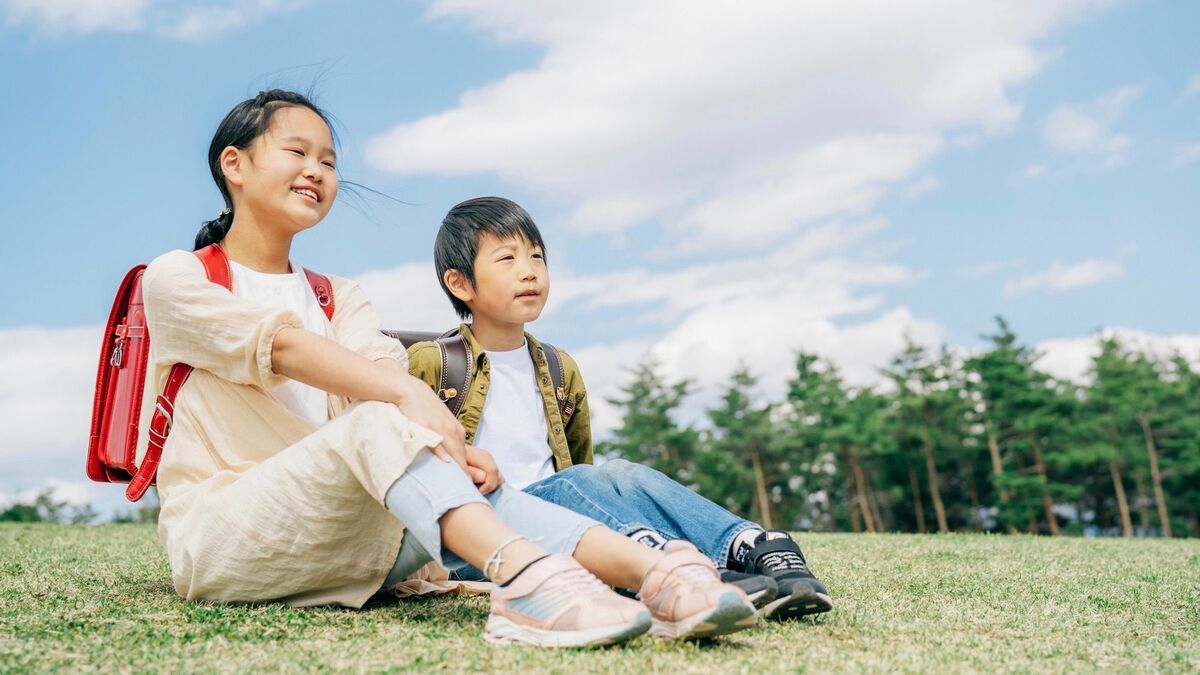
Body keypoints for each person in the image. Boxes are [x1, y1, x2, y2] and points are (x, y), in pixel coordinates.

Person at [142, 90, 758, 647]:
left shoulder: (340, 297)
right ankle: (527, 583)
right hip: (223, 537)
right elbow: (281, 348)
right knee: (380, 419)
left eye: (328, 161)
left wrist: (451, 452)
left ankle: (661, 579)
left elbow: (383, 382)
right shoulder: (179, 278)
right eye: (297, 152)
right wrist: (413, 402)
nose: (317, 171)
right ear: (235, 164)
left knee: (477, 482)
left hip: (333, 538)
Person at [407, 197, 833, 620]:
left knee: (620, 474)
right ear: (460, 284)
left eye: (537, 256)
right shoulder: (432, 362)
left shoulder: (557, 367)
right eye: (507, 258)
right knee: (576, 484)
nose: (529, 270)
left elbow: (583, 467)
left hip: (566, 529)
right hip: (481, 542)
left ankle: (755, 545)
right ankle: (660, 567)